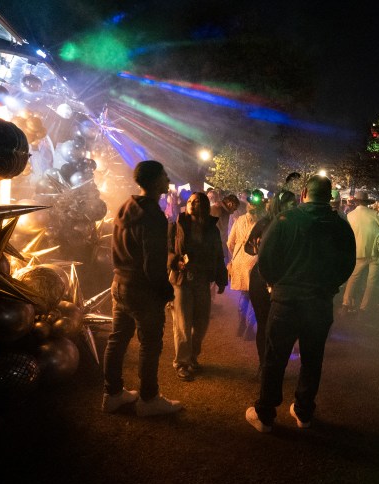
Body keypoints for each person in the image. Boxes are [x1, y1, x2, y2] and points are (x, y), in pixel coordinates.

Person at [245, 175, 356, 432]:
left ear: (304, 193)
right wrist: (330, 286)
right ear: (329, 196)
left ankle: (265, 414)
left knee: (275, 358)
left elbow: (265, 259)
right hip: (319, 303)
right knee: (312, 359)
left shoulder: (286, 220)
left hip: (286, 302)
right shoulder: (340, 226)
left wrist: (275, 283)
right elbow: (347, 264)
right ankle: (304, 412)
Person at [102, 160, 182, 417]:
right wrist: (166, 291)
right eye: (164, 175)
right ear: (156, 181)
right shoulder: (153, 216)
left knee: (117, 340)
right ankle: (148, 399)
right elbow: (153, 263)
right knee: (150, 344)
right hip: (142, 290)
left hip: (119, 284)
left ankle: (113, 394)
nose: (168, 179)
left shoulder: (126, 207)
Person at [168, 191, 228, 382]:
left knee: (201, 323)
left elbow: (218, 254)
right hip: (182, 280)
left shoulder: (212, 229)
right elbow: (167, 250)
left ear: (204, 206)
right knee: (182, 324)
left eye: (196, 202)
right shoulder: (176, 225)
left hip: (202, 280)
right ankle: (182, 363)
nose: (192, 204)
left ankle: (192, 357)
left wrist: (221, 278)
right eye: (190, 201)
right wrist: (175, 261)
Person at [244, 190, 298, 371]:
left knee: (281, 325)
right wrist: (259, 248)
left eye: (295, 202)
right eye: (291, 203)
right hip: (261, 278)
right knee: (264, 323)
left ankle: (275, 364)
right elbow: (247, 247)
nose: (294, 205)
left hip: (284, 279)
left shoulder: (295, 224)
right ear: (280, 205)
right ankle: (264, 365)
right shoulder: (265, 223)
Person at [341, 191, 379, 314]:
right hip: (375, 253)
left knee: (353, 278)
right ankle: (363, 308)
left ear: (356, 202)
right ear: (366, 202)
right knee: (371, 282)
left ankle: (345, 305)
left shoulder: (350, 215)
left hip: (358, 252)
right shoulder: (374, 214)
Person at [227, 189, 267, 339]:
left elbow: (230, 242)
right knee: (256, 297)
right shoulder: (263, 223)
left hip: (240, 262)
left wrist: (236, 256)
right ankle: (250, 327)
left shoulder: (239, 220)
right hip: (255, 262)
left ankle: (241, 323)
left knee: (244, 295)